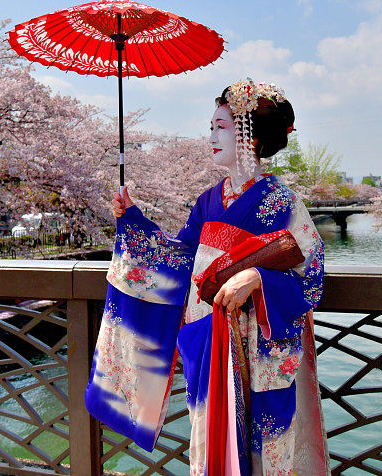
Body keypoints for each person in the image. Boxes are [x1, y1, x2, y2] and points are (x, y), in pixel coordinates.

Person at [85, 79, 330, 475]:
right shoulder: (207, 201)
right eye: (211, 126)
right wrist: (132, 219)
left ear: (248, 133)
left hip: (261, 349)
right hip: (210, 340)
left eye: (221, 126)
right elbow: (181, 260)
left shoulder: (283, 202)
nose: (211, 136)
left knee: (265, 450)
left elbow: (311, 276)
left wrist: (257, 279)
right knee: (211, 445)